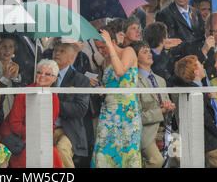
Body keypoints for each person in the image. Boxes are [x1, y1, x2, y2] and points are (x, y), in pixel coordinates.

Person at [171, 55, 217, 168]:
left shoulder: (195, 88)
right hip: (207, 140)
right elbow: (207, 122)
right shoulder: (196, 92)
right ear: (196, 72)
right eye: (200, 64)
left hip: (206, 138)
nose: (203, 66)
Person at [91, 26, 142, 168]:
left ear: (112, 42)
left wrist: (110, 47)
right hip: (108, 113)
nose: (101, 51)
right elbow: (112, 85)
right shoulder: (105, 61)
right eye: (98, 48)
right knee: (103, 152)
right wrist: (100, 87)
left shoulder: (129, 51)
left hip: (127, 113)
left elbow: (120, 71)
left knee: (127, 154)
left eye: (103, 47)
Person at [0, 59, 62, 168]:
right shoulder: (24, 93)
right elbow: (15, 124)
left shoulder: (54, 98)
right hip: (16, 138)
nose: (42, 76)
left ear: (54, 78)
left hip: (38, 140)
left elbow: (50, 126)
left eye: (47, 74)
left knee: (52, 154)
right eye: (39, 72)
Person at [132, 41, 176, 168]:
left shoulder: (161, 80)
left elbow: (168, 113)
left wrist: (169, 108)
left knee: (183, 154)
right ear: (135, 57)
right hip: (146, 133)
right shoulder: (134, 81)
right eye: (144, 52)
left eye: (149, 51)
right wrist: (160, 111)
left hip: (166, 130)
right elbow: (137, 116)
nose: (149, 54)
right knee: (157, 161)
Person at [171, 13, 217, 80]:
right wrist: (203, 51)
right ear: (206, 28)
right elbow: (186, 73)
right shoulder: (190, 46)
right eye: (216, 31)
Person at [52, 41, 91, 168]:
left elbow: (81, 109)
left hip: (68, 129)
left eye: (62, 51)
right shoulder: (44, 74)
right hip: (46, 127)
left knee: (62, 149)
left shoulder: (80, 79)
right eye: (55, 50)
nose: (57, 53)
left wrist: (54, 103)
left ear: (71, 57)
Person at [0, 35, 22, 119]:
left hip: (13, 109)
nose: (7, 50)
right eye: (4, 47)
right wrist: (5, 77)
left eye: (11, 47)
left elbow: (18, 94)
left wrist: (15, 78)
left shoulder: (15, 65)